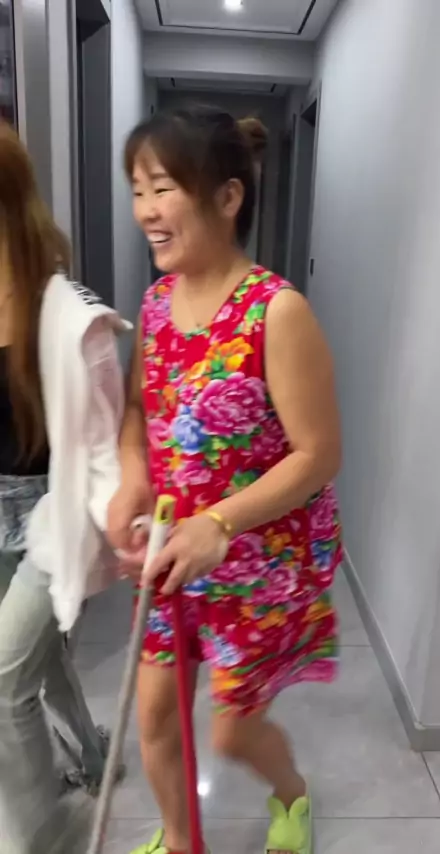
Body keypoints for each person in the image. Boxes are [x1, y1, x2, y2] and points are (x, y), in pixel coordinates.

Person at [107, 105, 343, 854]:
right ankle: (183, 842)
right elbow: (140, 411)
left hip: (255, 562)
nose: (145, 211)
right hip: (175, 556)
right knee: (153, 718)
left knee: (233, 734)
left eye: (162, 188)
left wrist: (219, 524)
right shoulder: (154, 305)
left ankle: (293, 797)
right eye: (137, 190)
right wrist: (133, 476)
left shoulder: (277, 311)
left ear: (228, 196)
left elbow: (318, 455)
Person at [0, 120, 128, 853]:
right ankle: (94, 751)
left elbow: (105, 448)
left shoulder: (71, 315)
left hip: (54, 512)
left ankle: (45, 837)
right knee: (38, 664)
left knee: (5, 680)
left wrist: (127, 529)